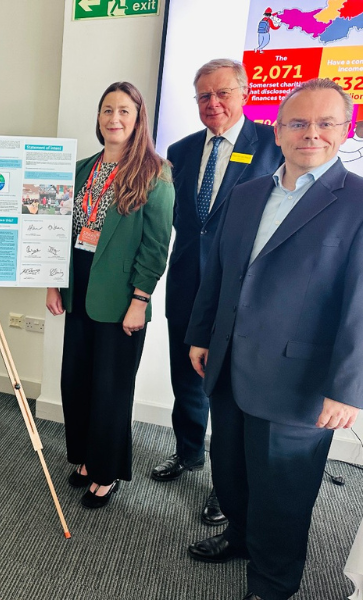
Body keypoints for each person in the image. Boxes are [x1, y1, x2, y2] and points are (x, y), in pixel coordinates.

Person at [185, 78, 363, 600]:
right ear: (278, 133)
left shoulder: (357, 202)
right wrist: (200, 336)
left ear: (345, 130)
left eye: (325, 122)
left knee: (283, 497)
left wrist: (348, 387)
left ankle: (271, 585)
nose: (311, 133)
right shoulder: (247, 193)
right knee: (232, 474)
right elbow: (217, 274)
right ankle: (239, 538)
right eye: (297, 122)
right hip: (228, 366)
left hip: (299, 382)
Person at [153, 59, 282, 526]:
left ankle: (223, 486)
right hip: (187, 281)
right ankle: (187, 453)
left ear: (244, 93)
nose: (214, 104)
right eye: (204, 96)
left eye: (223, 93)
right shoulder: (180, 150)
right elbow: (182, 220)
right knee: (185, 378)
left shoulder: (272, 143)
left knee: (227, 391)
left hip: (241, 291)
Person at [46, 82, 173, 509]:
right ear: (98, 118)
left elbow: (156, 247)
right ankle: (83, 459)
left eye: (123, 111)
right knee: (75, 380)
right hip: (78, 281)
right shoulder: (81, 168)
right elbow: (58, 229)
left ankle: (106, 473)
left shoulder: (155, 173)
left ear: (138, 119)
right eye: (106, 110)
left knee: (110, 388)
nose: (113, 118)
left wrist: (140, 300)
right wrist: (53, 281)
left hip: (122, 294)